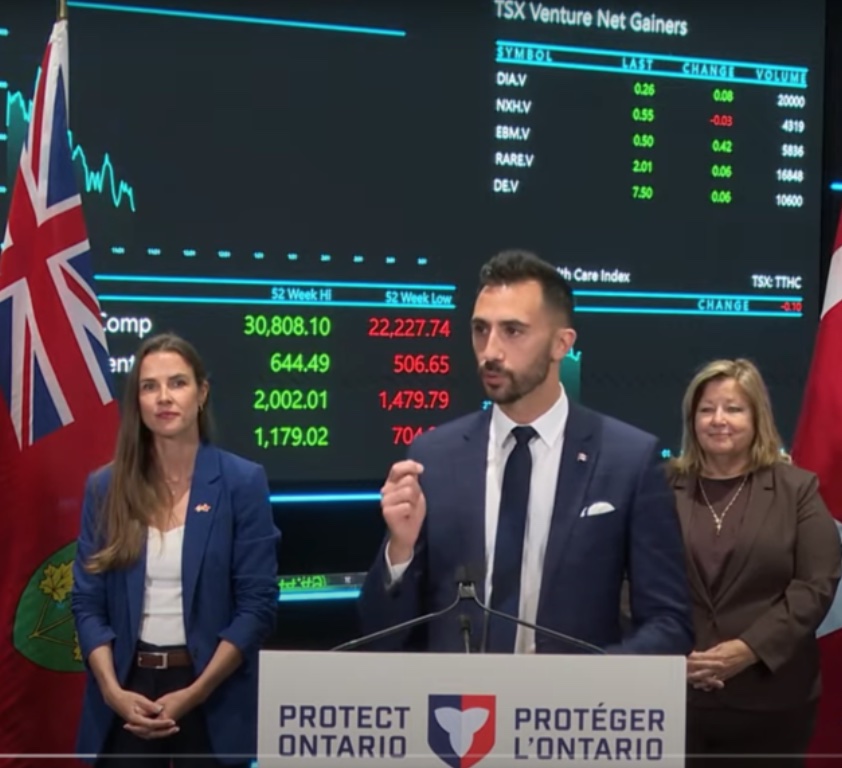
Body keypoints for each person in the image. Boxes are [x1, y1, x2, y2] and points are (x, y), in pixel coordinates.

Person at [358, 249, 694, 655]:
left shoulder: (628, 460)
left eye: (512, 331)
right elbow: (378, 632)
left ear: (561, 344)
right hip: (456, 695)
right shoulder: (434, 457)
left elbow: (669, 624)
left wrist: (593, 679)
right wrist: (400, 551)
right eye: (480, 330)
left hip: (572, 694)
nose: (490, 351)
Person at [71, 333, 280, 767]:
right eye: (149, 386)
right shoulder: (106, 487)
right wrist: (112, 691)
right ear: (137, 401)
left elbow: (257, 606)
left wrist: (195, 692)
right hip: (125, 690)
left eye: (177, 383)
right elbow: (87, 603)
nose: (164, 397)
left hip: (212, 692)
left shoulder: (242, 483)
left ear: (201, 393)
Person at [668, 358, 841, 767]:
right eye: (706, 409)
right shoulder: (659, 486)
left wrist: (748, 650)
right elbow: (628, 577)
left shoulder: (796, 489)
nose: (718, 420)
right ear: (692, 419)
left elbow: (815, 584)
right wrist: (672, 649)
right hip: (673, 692)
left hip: (771, 698)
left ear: (756, 417)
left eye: (733, 408)